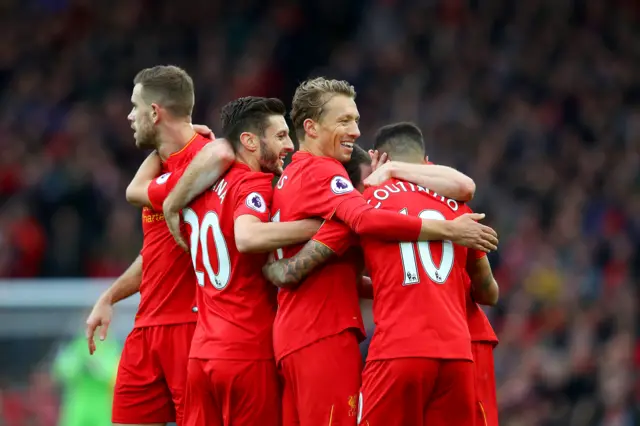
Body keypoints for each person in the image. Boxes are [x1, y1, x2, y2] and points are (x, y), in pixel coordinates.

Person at [270, 77, 498, 426]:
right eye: (345, 120)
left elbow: (294, 269)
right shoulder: (331, 178)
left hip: (311, 339)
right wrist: (448, 231)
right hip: (442, 347)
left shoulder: (288, 178)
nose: (356, 130)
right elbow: (488, 290)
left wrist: (265, 263)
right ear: (311, 127)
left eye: (357, 120)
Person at [146, 96, 322, 426]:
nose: (290, 145)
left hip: (200, 356)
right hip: (247, 353)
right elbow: (248, 236)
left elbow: (135, 190)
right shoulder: (255, 185)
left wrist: (169, 205)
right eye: (281, 136)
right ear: (250, 141)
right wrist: (321, 228)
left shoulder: (195, 186)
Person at [85, 65, 235, 426]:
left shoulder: (208, 165)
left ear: (155, 112)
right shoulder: (161, 166)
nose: (129, 115)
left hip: (192, 328)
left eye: (135, 106)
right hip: (146, 328)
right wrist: (110, 296)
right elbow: (154, 253)